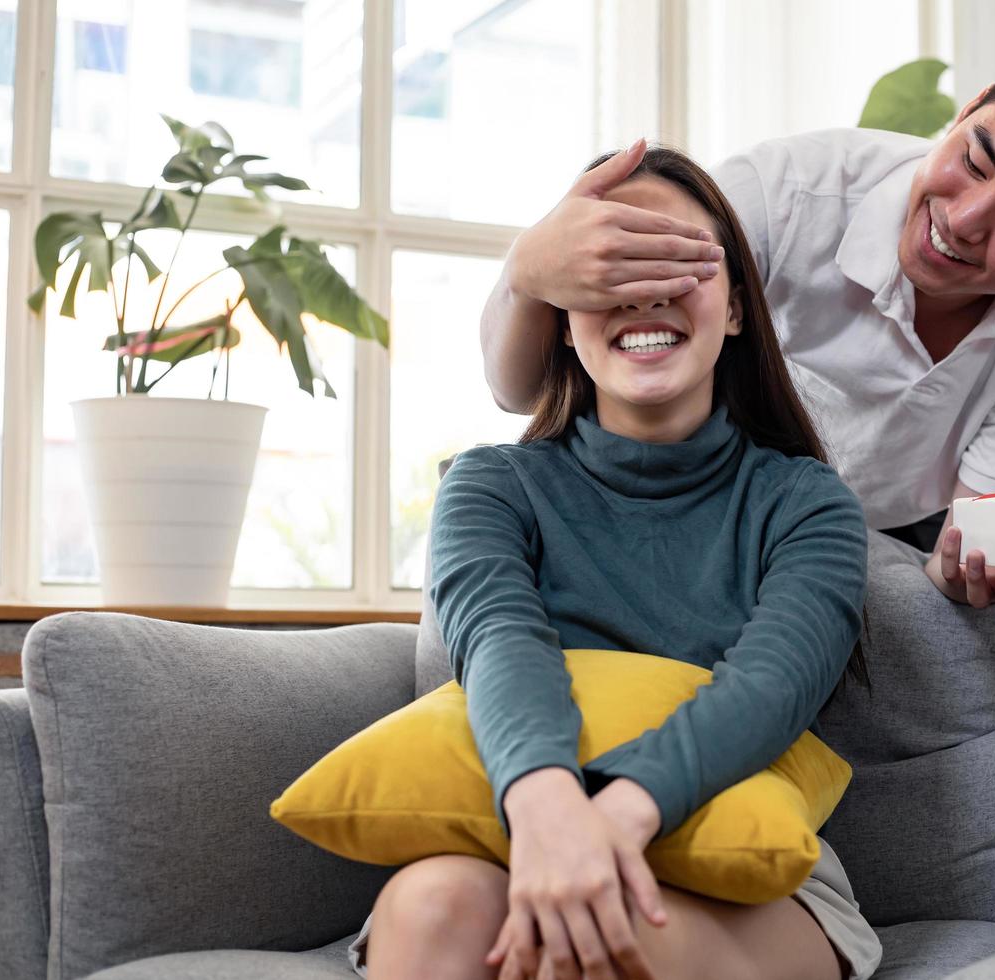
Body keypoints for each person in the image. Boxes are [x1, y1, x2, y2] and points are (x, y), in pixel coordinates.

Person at [350, 147, 881, 980]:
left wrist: (612, 821)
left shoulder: (807, 502)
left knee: (597, 946)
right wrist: (550, 811)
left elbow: (770, 687)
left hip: (753, 884)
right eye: (614, 259)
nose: (646, 286)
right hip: (526, 834)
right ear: (564, 314)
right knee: (430, 910)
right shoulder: (493, 485)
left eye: (679, 257)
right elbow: (501, 649)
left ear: (737, 309)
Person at [478, 34, 995, 620]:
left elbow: (964, 548)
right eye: (974, 160)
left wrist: (970, 566)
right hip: (683, 488)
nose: (964, 219)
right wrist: (529, 271)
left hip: (868, 533)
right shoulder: (783, 196)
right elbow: (525, 392)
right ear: (968, 109)